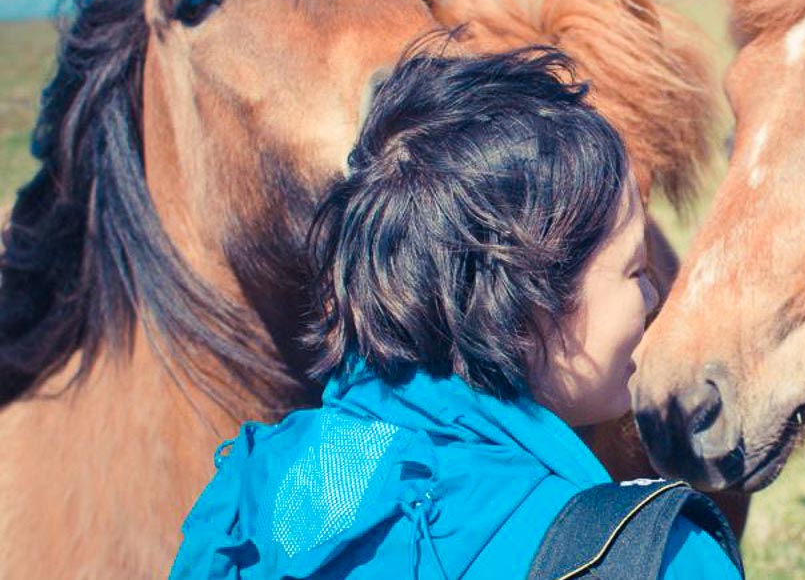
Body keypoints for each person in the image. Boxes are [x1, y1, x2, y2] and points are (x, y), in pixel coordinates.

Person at [168, 44, 743, 579]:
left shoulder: (245, 502)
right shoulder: (653, 556)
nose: (650, 297)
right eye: (635, 270)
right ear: (528, 301)